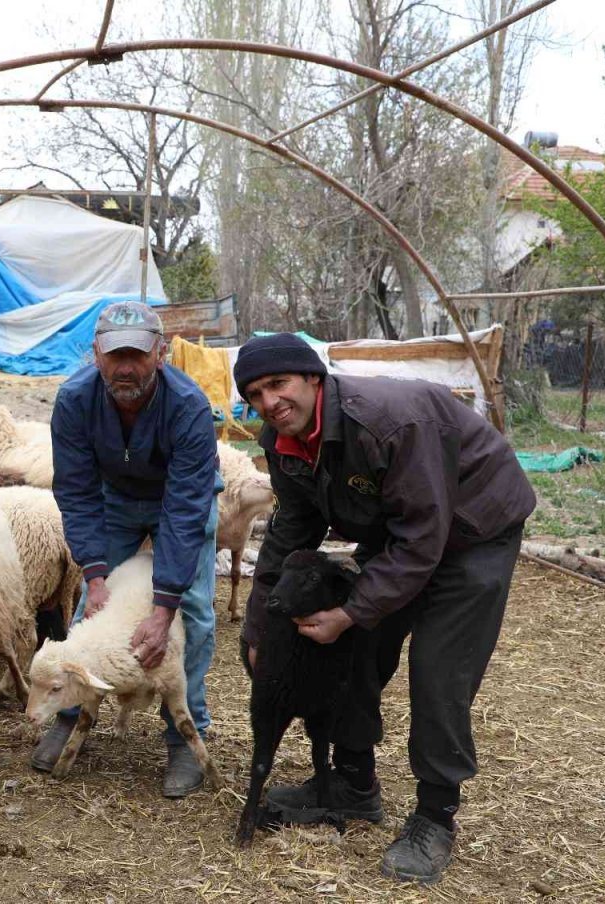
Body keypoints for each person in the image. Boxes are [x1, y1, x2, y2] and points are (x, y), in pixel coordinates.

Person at [234, 332, 535, 886]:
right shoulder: (283, 441)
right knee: (358, 647)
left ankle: (435, 817)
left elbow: (425, 539)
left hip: (473, 529)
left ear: (313, 379)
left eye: (278, 384)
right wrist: (260, 627)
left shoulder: (389, 423)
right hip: (398, 529)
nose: (269, 402)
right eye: (255, 394)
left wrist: (351, 611)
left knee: (439, 667)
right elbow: (292, 531)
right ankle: (352, 785)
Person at [36, 301, 222, 799]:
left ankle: (184, 729)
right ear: (95, 354)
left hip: (180, 497)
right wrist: (96, 576)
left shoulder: (188, 407)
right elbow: (74, 491)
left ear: (160, 354)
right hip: (114, 498)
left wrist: (163, 610)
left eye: (136, 355)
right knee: (92, 607)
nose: (125, 367)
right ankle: (73, 710)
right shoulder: (75, 401)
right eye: (114, 355)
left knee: (195, 612)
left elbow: (184, 514)